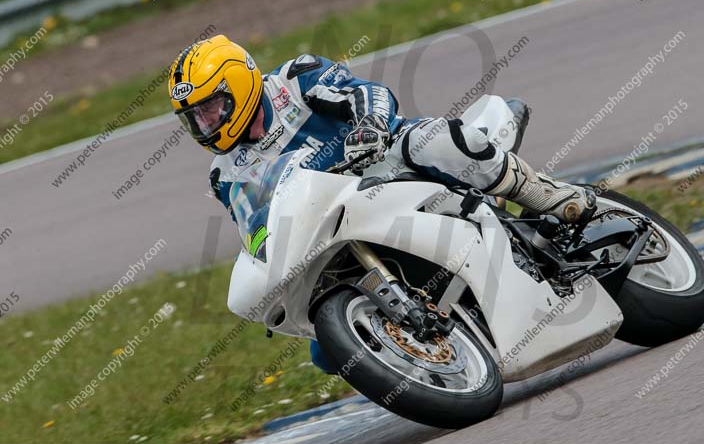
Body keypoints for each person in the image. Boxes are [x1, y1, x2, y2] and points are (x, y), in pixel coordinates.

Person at [168, 34, 596, 373]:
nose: (207, 124)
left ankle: (556, 200)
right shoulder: (224, 173)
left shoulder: (295, 80)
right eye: (196, 118)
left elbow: (365, 92)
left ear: (239, 84)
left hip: (386, 161)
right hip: (331, 219)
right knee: (326, 353)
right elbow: (255, 224)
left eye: (211, 108)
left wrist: (370, 125)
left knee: (435, 140)